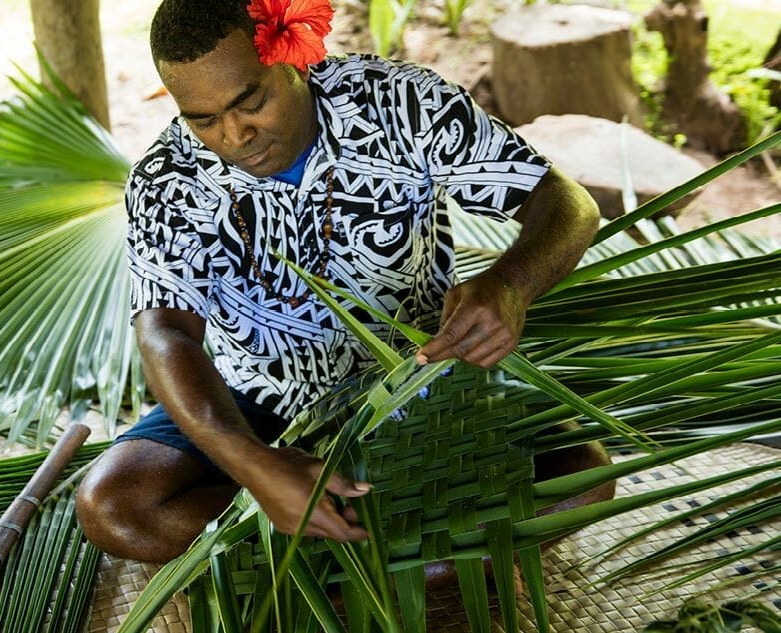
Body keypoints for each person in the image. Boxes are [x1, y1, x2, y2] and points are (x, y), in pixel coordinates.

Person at [76, 0, 614, 574]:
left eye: (250, 102)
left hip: (417, 380)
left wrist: (510, 283)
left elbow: (567, 202)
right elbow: (165, 331)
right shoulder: (166, 178)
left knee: (582, 477)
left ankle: (329, 563)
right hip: (257, 398)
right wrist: (253, 465)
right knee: (115, 507)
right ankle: (421, 558)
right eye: (202, 120)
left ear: (296, 58)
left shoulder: (402, 104)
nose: (235, 134)